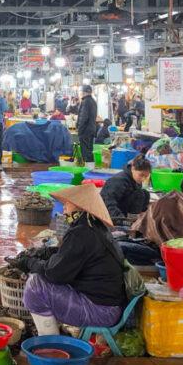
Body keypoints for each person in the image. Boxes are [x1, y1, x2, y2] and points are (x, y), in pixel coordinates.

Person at [21, 185, 127, 336]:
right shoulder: (94, 227)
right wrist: (47, 252)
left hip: (100, 312)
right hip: (109, 307)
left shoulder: (81, 233)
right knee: (41, 278)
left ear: (80, 208)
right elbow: (70, 256)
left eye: (67, 204)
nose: (64, 209)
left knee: (36, 285)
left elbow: (54, 274)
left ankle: (51, 343)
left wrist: (29, 263)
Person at [100, 155, 152, 223]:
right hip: (109, 213)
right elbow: (108, 203)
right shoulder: (119, 181)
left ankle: (135, 220)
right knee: (139, 194)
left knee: (145, 193)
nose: (143, 179)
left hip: (124, 208)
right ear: (133, 168)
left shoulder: (135, 179)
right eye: (141, 175)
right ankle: (130, 222)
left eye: (146, 176)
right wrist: (122, 221)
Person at [76, 85, 98, 163]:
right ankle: (90, 168)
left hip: (85, 130)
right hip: (91, 129)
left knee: (85, 151)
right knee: (89, 150)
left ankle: (87, 169)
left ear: (83, 92)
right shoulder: (93, 101)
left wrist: (79, 130)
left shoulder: (85, 102)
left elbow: (83, 118)